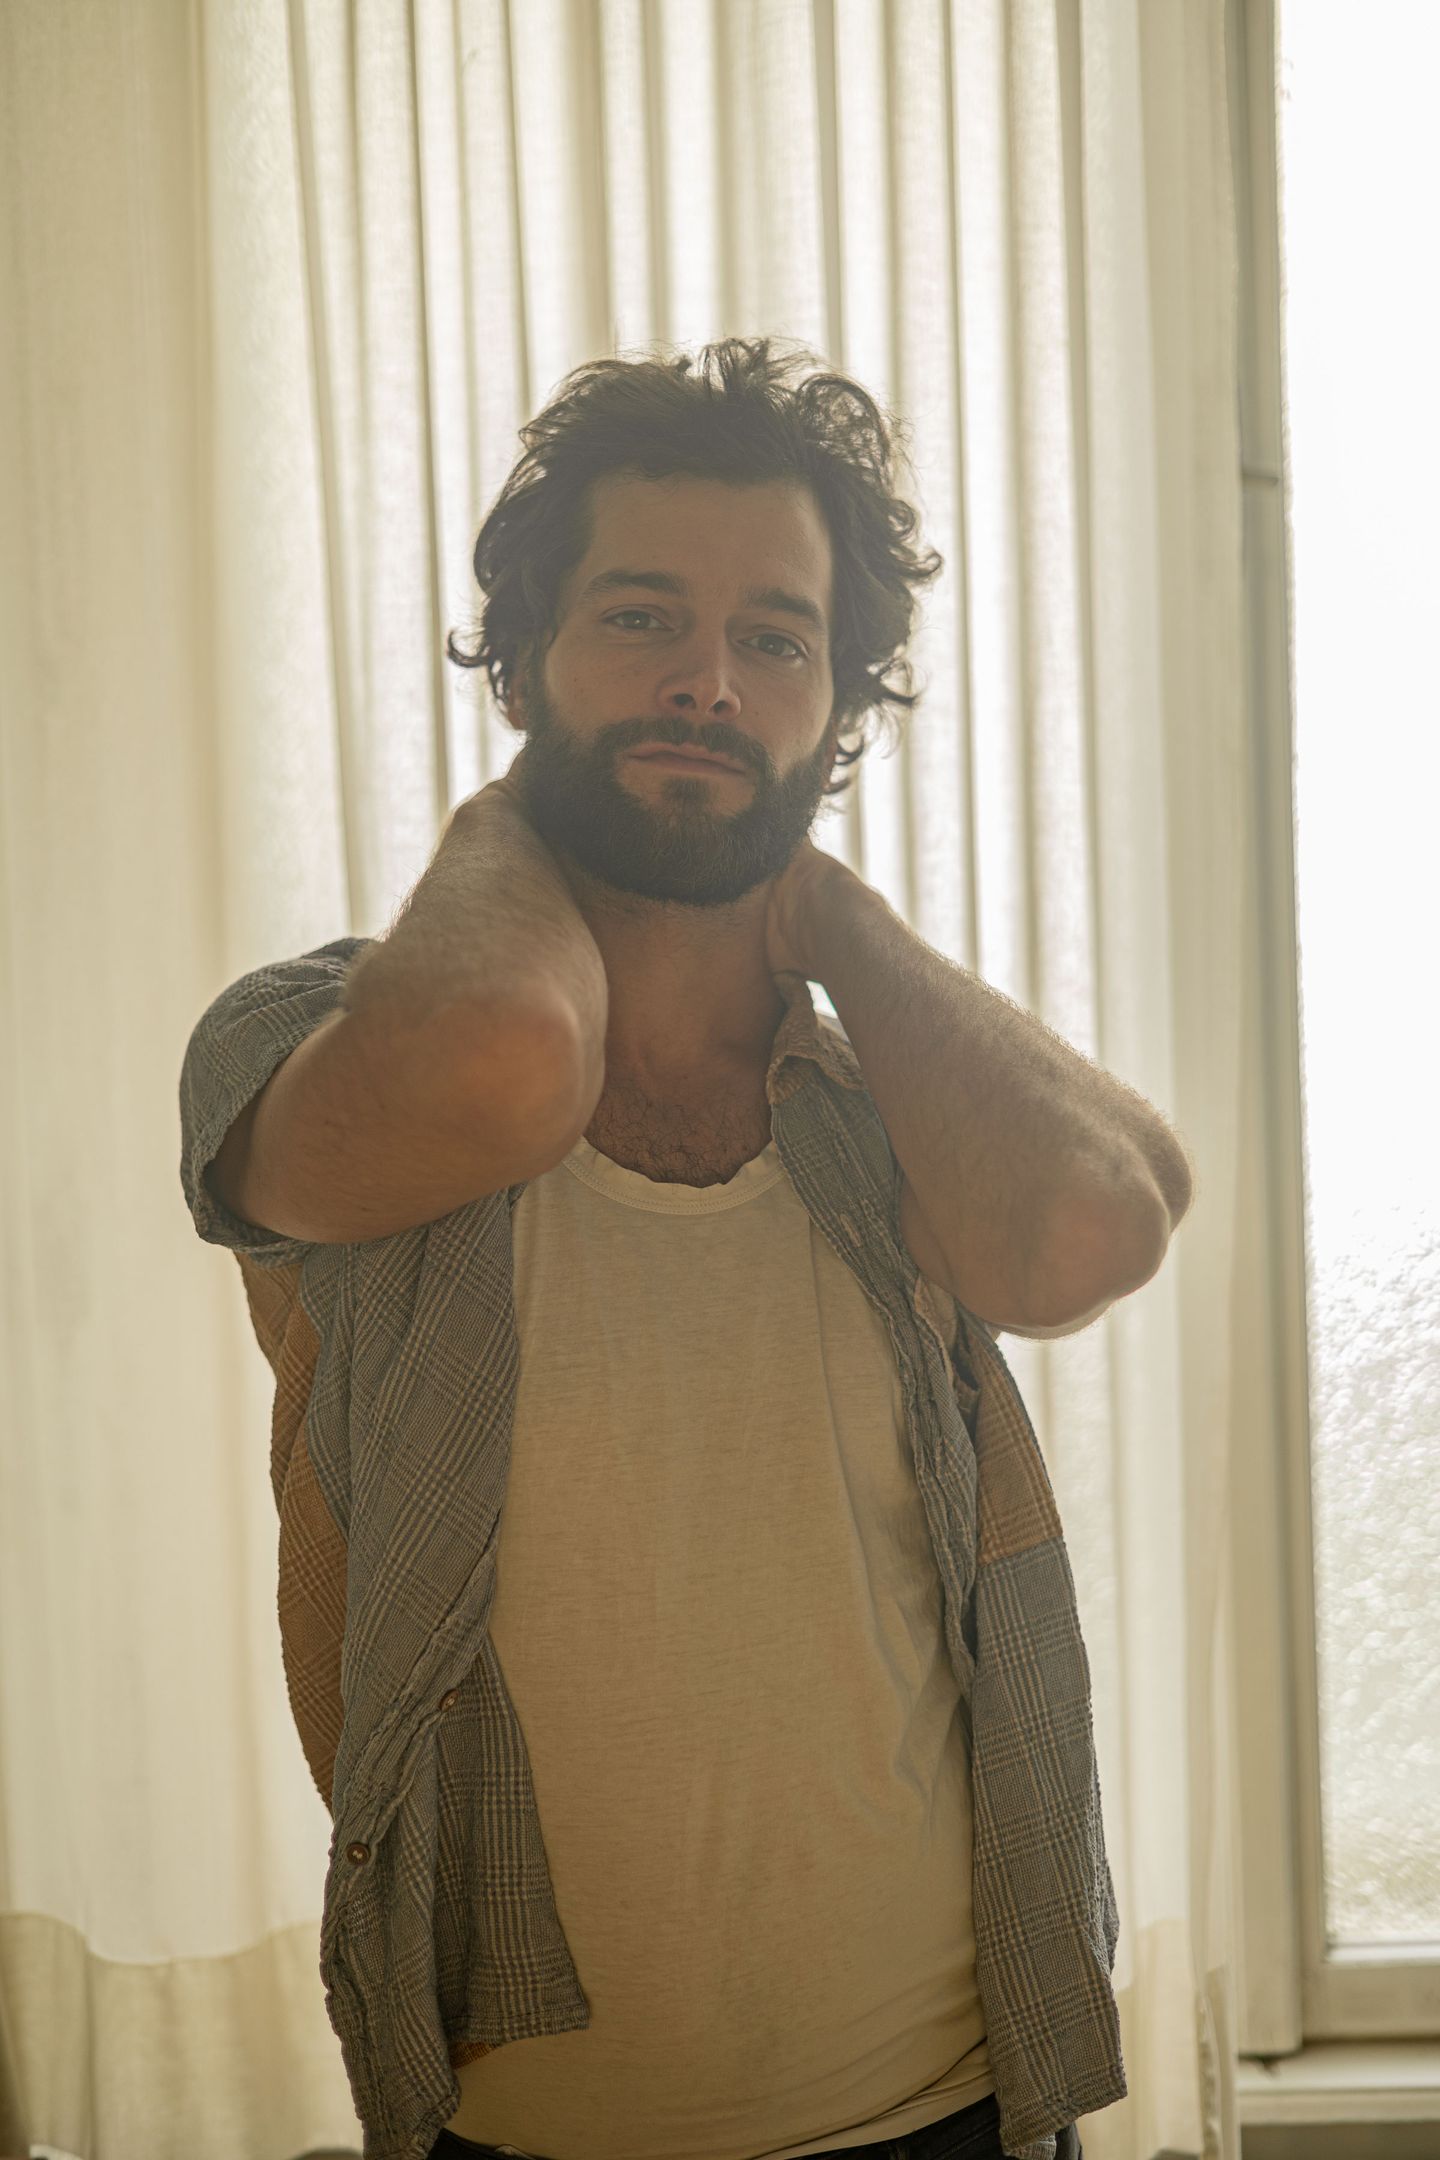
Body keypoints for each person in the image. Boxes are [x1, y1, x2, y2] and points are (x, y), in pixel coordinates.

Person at [182, 337, 1185, 2160]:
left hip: (950, 2091)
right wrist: (520, 816)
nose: (708, 684)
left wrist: (831, 917)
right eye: (641, 619)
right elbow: (503, 1058)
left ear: (841, 712)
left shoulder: (889, 1104)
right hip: (523, 2116)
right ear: (523, 658)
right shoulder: (309, 1044)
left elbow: (1097, 1224)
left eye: (776, 643)